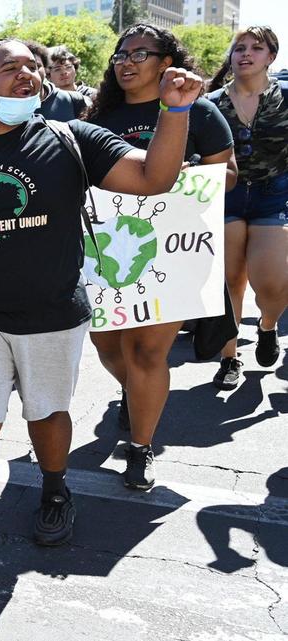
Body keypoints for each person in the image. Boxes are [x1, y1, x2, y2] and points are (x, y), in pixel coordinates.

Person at [0, 38, 201, 589]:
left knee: (47, 415)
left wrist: (176, 110)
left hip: (54, 316)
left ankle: (55, 490)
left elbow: (154, 178)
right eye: (11, 67)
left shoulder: (71, 139)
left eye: (33, 67)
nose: (28, 75)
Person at [84, 24, 237, 489]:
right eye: (120, 55)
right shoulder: (100, 116)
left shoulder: (199, 110)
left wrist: (188, 172)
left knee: (149, 351)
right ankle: (135, 393)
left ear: (166, 63)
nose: (125, 62)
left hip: (172, 253)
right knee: (109, 345)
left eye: (139, 54)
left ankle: (141, 446)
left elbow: (228, 176)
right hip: (111, 250)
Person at [206, 25, 287, 386]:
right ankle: (230, 358)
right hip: (227, 195)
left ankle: (267, 325)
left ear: (271, 56)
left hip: (275, 193)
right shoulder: (211, 103)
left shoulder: (285, 96)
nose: (245, 53)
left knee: (271, 283)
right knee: (230, 279)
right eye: (239, 47)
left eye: (256, 47)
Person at [26, 40, 90, 121]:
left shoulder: (82, 99)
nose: (64, 72)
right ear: (48, 73)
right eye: (57, 69)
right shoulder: (16, 107)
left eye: (68, 67)